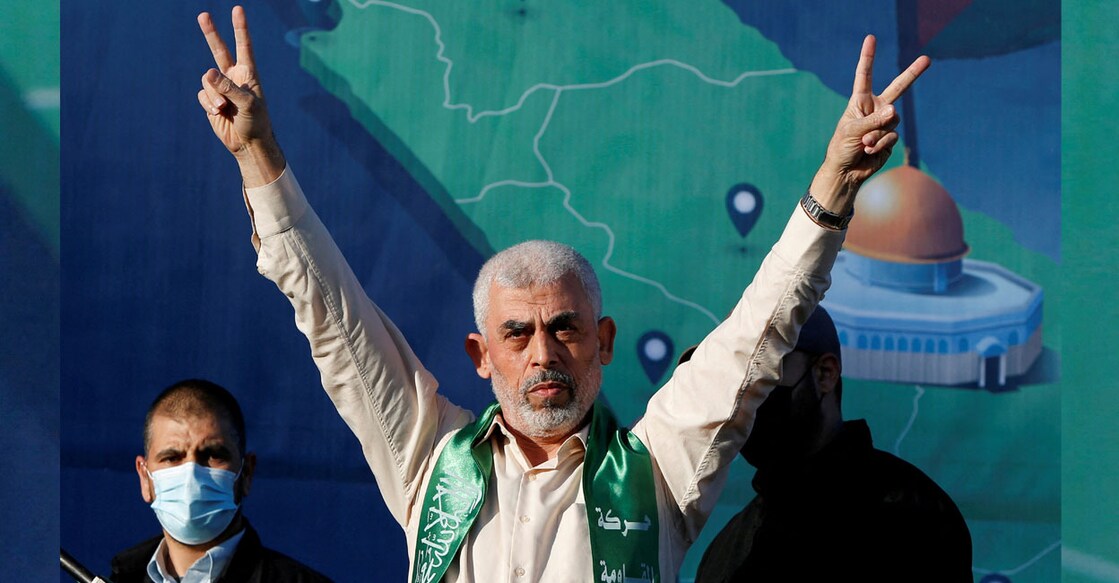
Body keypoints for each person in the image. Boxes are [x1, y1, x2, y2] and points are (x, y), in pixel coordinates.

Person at [194, 7, 929, 581]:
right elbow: (334, 319)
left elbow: (758, 331)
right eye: (517, 333)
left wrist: (833, 184)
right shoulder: (428, 459)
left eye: (565, 328)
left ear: (602, 343)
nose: (543, 352)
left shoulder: (659, 468)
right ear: (480, 354)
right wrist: (259, 155)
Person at [693, 307, 973, 582]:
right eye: (729, 379)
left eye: (758, 371)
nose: (741, 395)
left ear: (825, 373)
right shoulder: (727, 548)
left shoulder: (910, 516)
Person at [111, 379, 332, 583]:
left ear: (246, 473)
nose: (191, 475)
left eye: (213, 455)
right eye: (172, 457)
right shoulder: (121, 578)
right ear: (144, 476)